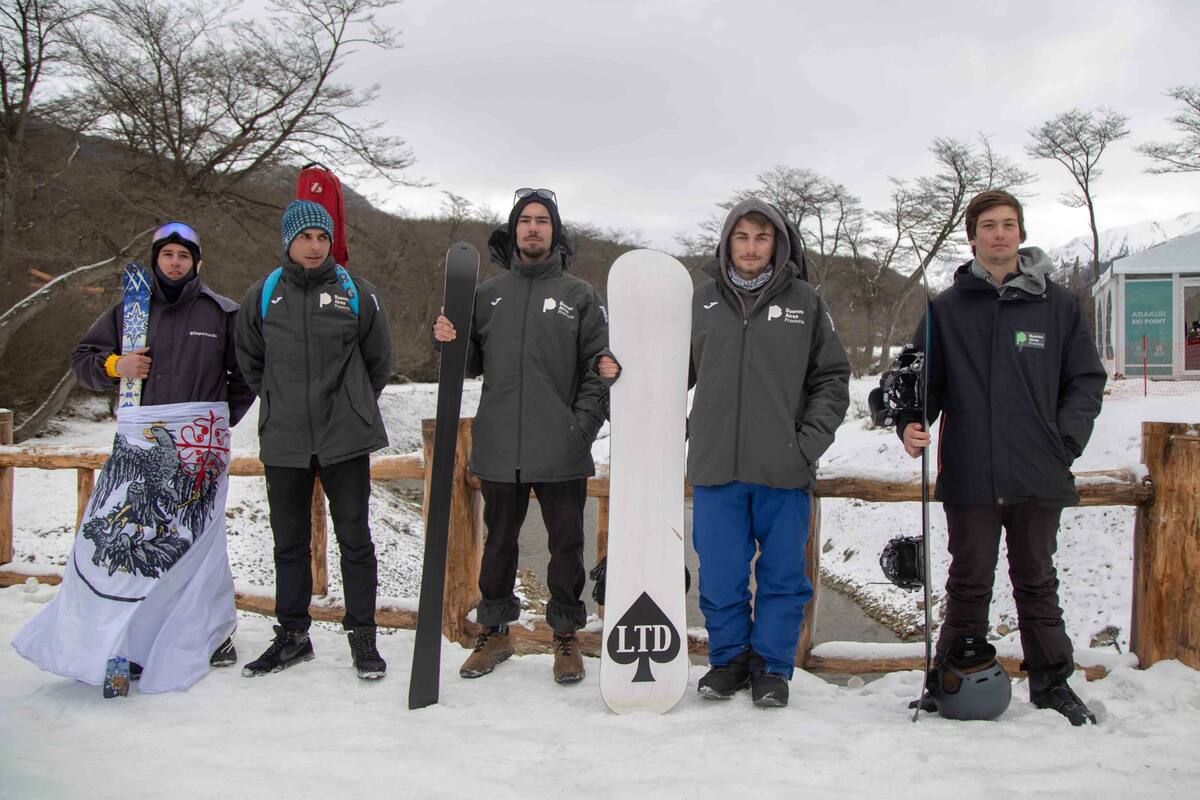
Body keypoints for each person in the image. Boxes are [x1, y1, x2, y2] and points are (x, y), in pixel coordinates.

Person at [14, 221, 254, 693]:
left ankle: (210, 629)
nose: (175, 263)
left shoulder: (223, 313)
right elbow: (84, 358)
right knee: (131, 541)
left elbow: (245, 375)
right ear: (156, 260)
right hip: (140, 444)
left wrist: (213, 424)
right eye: (167, 255)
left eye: (184, 256)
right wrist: (115, 366)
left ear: (197, 263)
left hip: (200, 449)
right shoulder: (129, 311)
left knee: (198, 542)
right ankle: (125, 639)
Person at [898, 190, 1106, 726]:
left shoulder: (1057, 306)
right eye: (988, 225)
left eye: (1008, 224)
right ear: (972, 236)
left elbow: (1084, 380)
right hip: (970, 471)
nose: (999, 234)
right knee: (969, 581)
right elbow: (920, 381)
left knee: (1037, 580)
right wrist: (908, 420)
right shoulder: (943, 309)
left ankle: (1053, 683)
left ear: (1021, 232)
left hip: (1039, 471)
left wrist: (1065, 442)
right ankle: (949, 680)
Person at [432, 188, 614, 684]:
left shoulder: (580, 296)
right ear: (514, 231)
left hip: (561, 448)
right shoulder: (489, 294)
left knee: (565, 548)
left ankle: (565, 639)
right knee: (499, 545)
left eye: (542, 221)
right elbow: (467, 363)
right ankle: (494, 634)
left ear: (555, 231)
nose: (533, 228)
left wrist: (580, 431)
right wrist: (446, 337)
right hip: (499, 446)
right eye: (525, 221)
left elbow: (602, 371)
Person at [675, 199, 850, 708]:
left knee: (782, 576)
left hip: (783, 470)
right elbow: (669, 375)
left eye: (762, 238)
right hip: (716, 468)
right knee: (722, 571)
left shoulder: (807, 303)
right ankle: (728, 660)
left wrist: (807, 444)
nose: (751, 247)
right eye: (742, 237)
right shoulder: (701, 302)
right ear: (727, 242)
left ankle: (773, 666)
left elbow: (832, 380)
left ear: (779, 244)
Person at [235, 200, 393, 680]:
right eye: (305, 237)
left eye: (322, 238)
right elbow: (250, 363)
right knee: (289, 543)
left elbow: (378, 361)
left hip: (345, 435)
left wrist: (352, 402)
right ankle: (292, 636)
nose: (315, 245)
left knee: (356, 540)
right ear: (288, 241)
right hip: (285, 438)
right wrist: (282, 401)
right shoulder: (262, 295)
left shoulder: (356, 292)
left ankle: (363, 636)